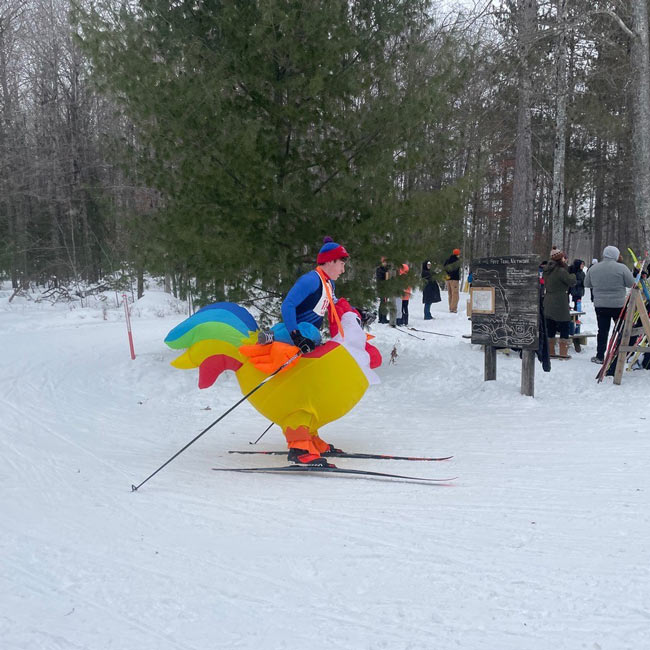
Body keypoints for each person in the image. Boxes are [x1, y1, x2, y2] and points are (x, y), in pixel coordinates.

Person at [584, 245, 635, 364]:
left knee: (602, 330)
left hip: (601, 305)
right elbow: (630, 283)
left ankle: (600, 355)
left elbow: (587, 284)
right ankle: (621, 353)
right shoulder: (622, 268)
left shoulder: (594, 268)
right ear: (616, 255)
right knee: (621, 330)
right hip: (618, 305)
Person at [543, 248, 576, 358]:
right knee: (564, 325)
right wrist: (573, 274)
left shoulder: (547, 270)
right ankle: (563, 353)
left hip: (548, 300)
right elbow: (571, 281)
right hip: (560, 300)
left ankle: (551, 351)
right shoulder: (561, 271)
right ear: (559, 258)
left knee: (550, 325)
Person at [443, 248, 461, 313]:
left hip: (448, 279)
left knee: (450, 294)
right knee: (455, 294)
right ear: (457, 254)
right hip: (454, 279)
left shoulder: (447, 260)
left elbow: (444, 267)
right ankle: (453, 308)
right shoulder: (456, 261)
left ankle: (451, 307)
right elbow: (455, 270)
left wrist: (447, 275)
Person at [375, 258, 390, 323]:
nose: (385, 263)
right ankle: (383, 318)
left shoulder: (384, 269)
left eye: (386, 262)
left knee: (382, 303)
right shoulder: (380, 270)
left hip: (382, 288)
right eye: (384, 262)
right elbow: (384, 280)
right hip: (382, 288)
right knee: (384, 302)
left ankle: (381, 318)